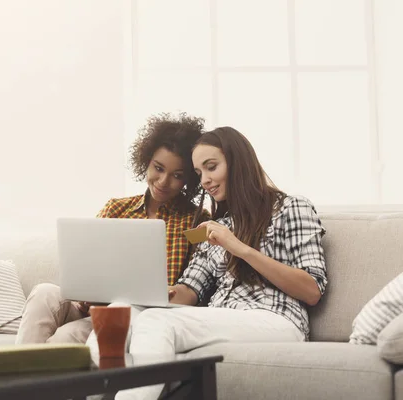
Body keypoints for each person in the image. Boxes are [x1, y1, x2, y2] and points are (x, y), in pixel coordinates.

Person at [115, 127, 328, 400]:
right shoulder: (216, 227)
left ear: (237, 161)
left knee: (156, 322)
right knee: (121, 312)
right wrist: (153, 292)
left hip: (276, 319)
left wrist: (239, 248)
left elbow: (311, 290)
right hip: (224, 317)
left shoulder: (291, 207)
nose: (204, 180)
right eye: (199, 173)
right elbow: (188, 290)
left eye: (211, 167)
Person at [14, 112, 208, 345]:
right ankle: (18, 374)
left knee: (66, 336)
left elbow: (195, 285)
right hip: (89, 308)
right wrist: (84, 295)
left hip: (137, 317)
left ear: (189, 180)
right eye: (158, 168)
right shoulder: (116, 208)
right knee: (45, 292)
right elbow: (84, 264)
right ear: (146, 160)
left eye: (177, 175)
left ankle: (38, 378)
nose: (164, 181)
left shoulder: (196, 220)